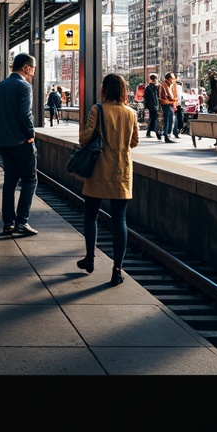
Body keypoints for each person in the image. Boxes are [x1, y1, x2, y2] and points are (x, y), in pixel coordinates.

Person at [76, 73, 139, 285]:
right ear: (123, 90)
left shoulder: (98, 110)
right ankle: (117, 269)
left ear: (105, 89)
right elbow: (134, 142)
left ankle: (90, 259)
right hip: (121, 172)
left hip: (98, 172)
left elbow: (84, 138)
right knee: (120, 220)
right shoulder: (131, 113)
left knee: (91, 215)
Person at [0, 52, 39, 236]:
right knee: (30, 180)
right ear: (26, 68)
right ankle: (22, 222)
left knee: (9, 182)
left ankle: (8, 223)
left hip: (4, 143)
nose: (33, 73)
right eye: (32, 69)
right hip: (21, 142)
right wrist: (31, 134)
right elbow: (25, 115)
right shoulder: (24, 87)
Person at [159, 71, 178, 143]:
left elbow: (174, 96)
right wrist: (173, 100)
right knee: (167, 119)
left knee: (170, 119)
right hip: (165, 104)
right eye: (172, 78)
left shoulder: (172, 85)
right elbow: (169, 96)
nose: (173, 80)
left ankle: (167, 133)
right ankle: (166, 134)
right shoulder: (164, 85)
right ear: (168, 79)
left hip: (169, 104)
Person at [143, 73, 160, 139]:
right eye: (156, 79)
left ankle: (149, 131)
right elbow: (146, 97)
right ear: (153, 80)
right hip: (151, 105)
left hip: (155, 105)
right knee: (155, 118)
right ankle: (156, 132)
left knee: (153, 118)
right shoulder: (149, 87)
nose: (157, 81)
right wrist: (146, 106)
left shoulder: (155, 87)